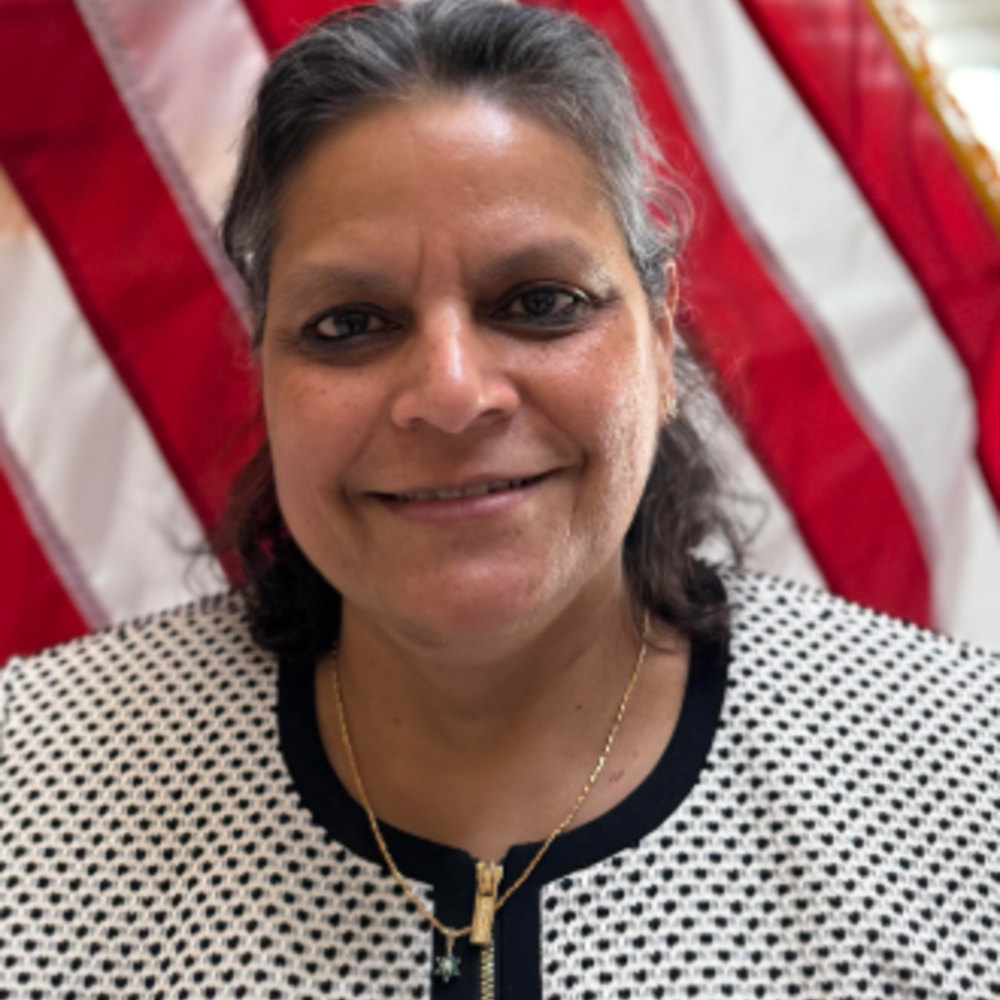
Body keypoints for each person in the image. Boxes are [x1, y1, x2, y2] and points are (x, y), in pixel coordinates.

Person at [1, 1, 997, 997]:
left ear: (660, 343)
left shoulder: (962, 784)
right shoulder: (30, 791)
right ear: (264, 372)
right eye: (350, 323)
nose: (450, 393)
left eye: (540, 303)